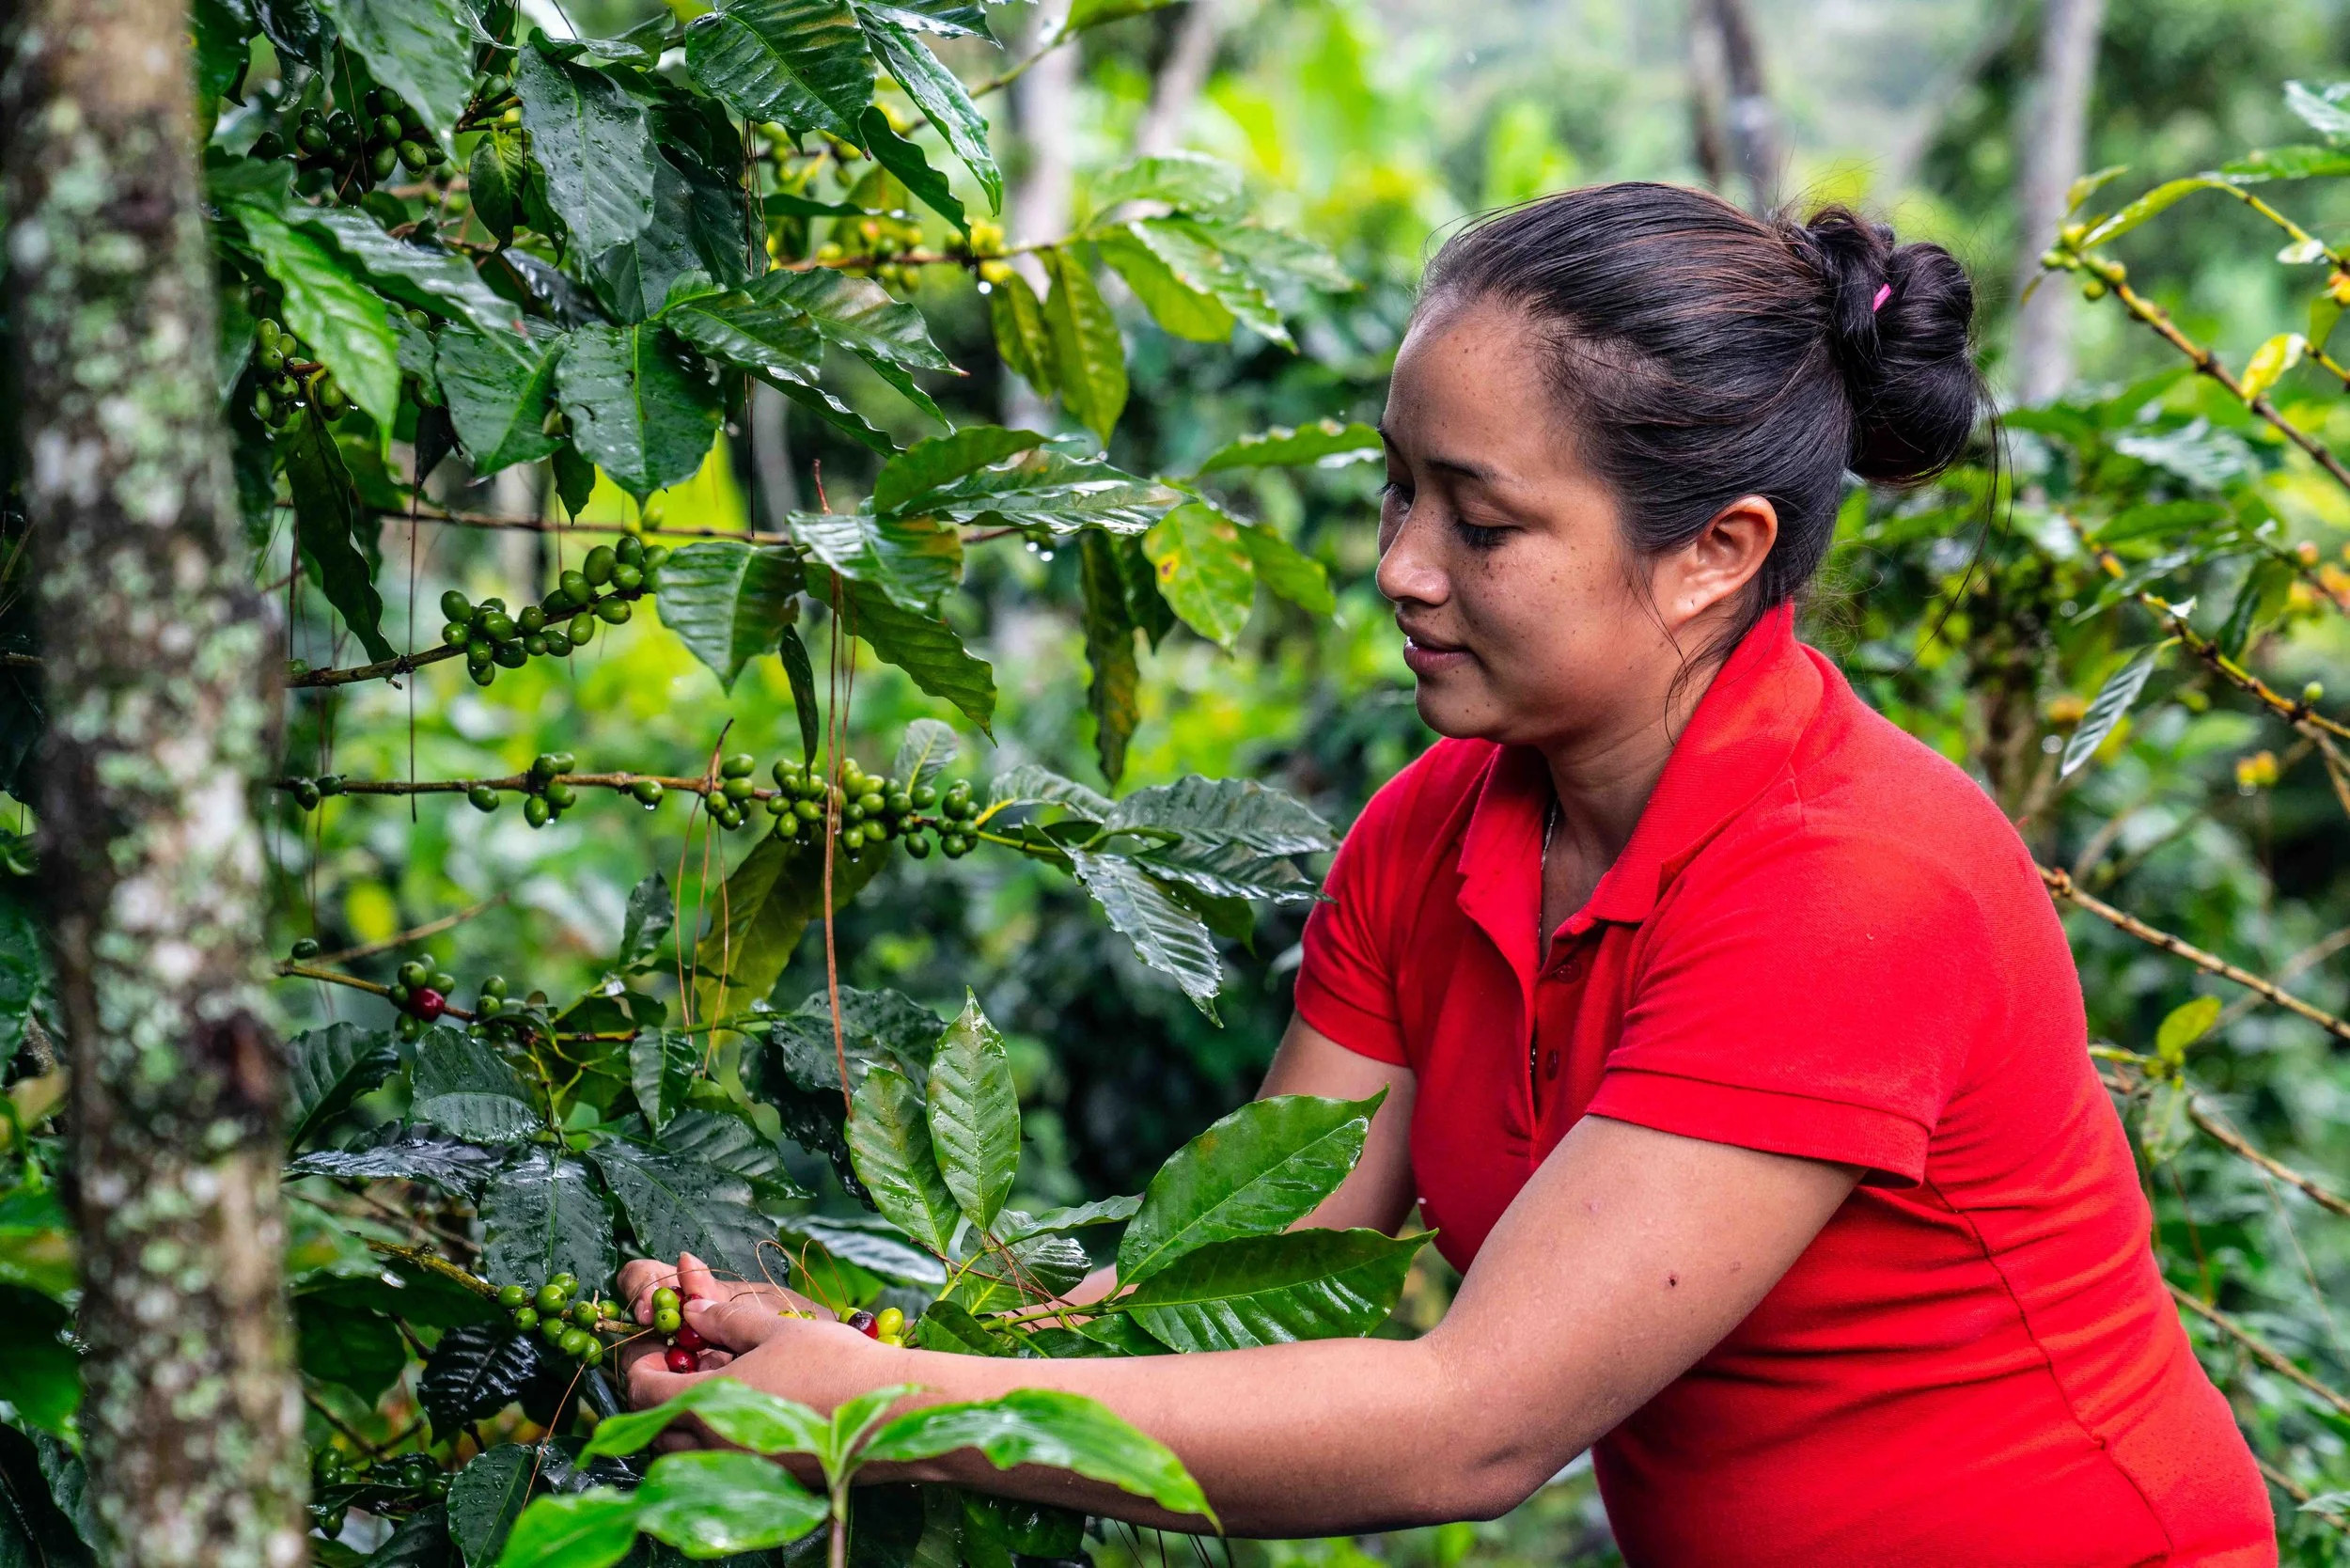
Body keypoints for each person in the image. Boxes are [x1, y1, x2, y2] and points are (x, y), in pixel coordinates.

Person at [618, 183, 2275, 1566]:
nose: (1401, 569)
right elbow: (1243, 1286)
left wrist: (879, 1416)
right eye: (1397, 489)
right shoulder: (1433, 832)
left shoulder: (1849, 882)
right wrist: (858, 1348)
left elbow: (1470, 1429)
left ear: (1718, 554)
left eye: (1480, 525)